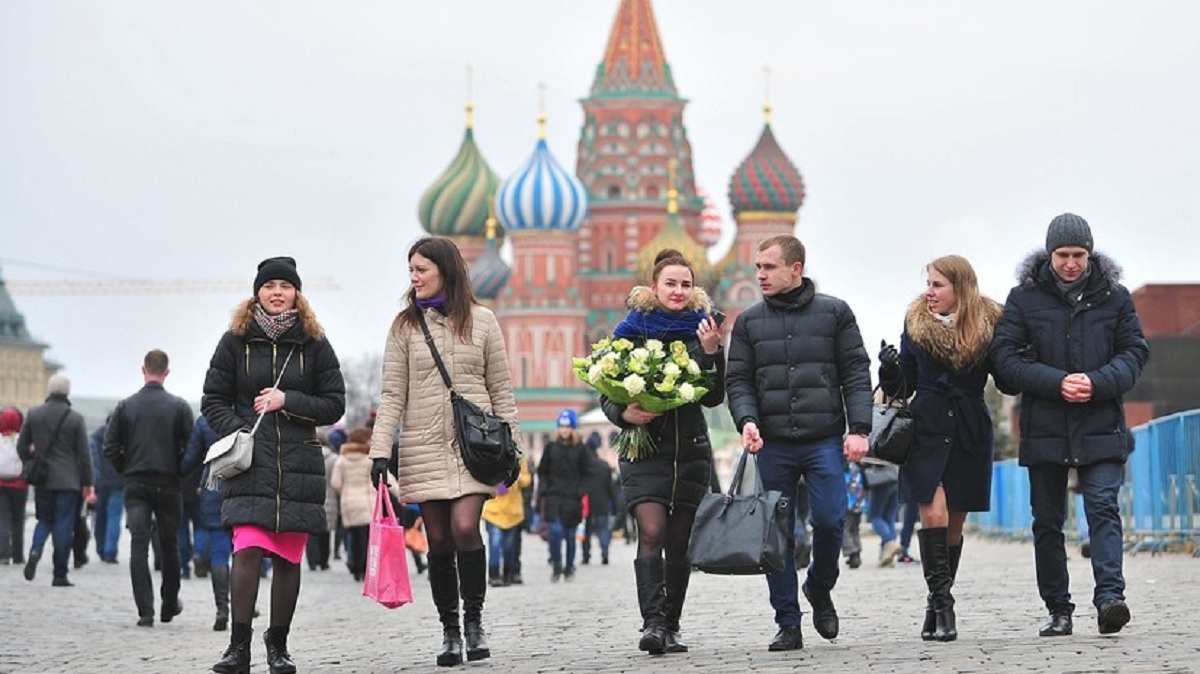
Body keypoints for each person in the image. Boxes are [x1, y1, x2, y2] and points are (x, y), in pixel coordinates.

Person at [991, 214, 1148, 637]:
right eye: (1063, 255)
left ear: (1090, 254)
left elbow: (1134, 353)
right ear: (1049, 254)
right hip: (1045, 426)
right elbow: (1004, 360)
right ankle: (1058, 609)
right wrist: (1055, 382)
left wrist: (1095, 383)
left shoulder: (1115, 297)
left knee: (1102, 506)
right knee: (1047, 520)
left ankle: (1110, 598)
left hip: (1100, 422)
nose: (1071, 264)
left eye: (1079, 255)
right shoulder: (1022, 299)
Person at [367, 236, 521, 667]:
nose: (414, 277)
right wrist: (380, 452)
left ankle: (474, 620)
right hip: (422, 445)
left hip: (475, 448)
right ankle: (450, 631)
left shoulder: (483, 320)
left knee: (466, 527)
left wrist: (516, 450)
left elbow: (501, 390)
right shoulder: (404, 326)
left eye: (421, 269)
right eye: (411, 270)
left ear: (445, 270)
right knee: (437, 540)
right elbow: (393, 392)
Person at [726, 234, 872, 651]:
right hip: (771, 443)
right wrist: (747, 420)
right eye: (757, 267)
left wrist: (858, 428)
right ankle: (788, 621)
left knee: (829, 519)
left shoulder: (834, 314)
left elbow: (856, 371)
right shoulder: (750, 322)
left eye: (768, 267)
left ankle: (820, 587)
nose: (760, 275)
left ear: (796, 269)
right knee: (778, 534)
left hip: (823, 438)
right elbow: (738, 379)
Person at [202, 256, 346, 673]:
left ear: (297, 293)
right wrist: (241, 430)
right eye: (269, 286)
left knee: (287, 559)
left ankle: (278, 645)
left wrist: (289, 401)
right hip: (251, 463)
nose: (277, 292)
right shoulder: (235, 341)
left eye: (285, 285)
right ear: (257, 293)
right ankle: (238, 647)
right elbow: (211, 400)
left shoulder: (315, 343)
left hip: (298, 464)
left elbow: (335, 404)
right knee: (246, 550)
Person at [600, 248, 725, 655]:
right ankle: (652, 624)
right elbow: (606, 389)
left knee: (679, 541)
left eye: (686, 284)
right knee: (651, 530)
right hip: (644, 450)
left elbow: (713, 397)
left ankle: (672, 624)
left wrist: (710, 353)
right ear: (654, 287)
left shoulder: (703, 329)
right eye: (670, 283)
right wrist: (625, 411)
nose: (678, 291)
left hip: (688, 449)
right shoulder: (630, 330)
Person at [878, 254, 1009, 641]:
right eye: (928, 284)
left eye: (938, 285)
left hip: (969, 426)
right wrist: (889, 369)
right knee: (932, 514)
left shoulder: (990, 322)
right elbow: (905, 383)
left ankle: (934, 605)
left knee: (954, 526)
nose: (929, 292)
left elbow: (1006, 379)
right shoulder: (916, 321)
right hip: (927, 426)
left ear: (960, 288)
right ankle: (945, 605)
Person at [103, 349, 196, 625]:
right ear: (167, 372)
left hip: (136, 483)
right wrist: (179, 471)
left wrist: (126, 468)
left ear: (143, 370)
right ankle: (169, 604)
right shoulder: (179, 407)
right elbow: (192, 449)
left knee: (138, 546)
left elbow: (109, 448)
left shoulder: (125, 406)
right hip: (168, 483)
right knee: (170, 546)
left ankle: (146, 610)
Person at [17, 374, 95, 586]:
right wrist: (88, 483)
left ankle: (35, 550)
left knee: (44, 520)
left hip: (43, 479)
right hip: (69, 481)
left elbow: (21, 447)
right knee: (64, 524)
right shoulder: (75, 418)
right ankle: (59, 574)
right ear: (67, 392)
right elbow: (84, 455)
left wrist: (32, 458)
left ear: (49, 391)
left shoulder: (34, 414)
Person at [331, 427, 399, 582]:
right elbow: (387, 479)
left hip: (349, 503)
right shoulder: (369, 460)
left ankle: (355, 567)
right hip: (369, 504)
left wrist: (346, 491)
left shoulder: (341, 460)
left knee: (354, 537)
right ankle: (366, 568)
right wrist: (400, 494)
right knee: (369, 539)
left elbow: (335, 483)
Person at [537, 410, 589, 583]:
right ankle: (556, 566)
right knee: (555, 532)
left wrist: (581, 490)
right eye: (562, 426)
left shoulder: (580, 449)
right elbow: (542, 470)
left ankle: (569, 567)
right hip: (554, 496)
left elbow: (587, 472)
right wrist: (544, 487)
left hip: (573, 498)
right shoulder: (551, 447)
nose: (565, 430)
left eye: (568, 426)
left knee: (570, 534)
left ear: (573, 428)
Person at [481, 451, 532, 586]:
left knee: (509, 546)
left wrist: (521, 479)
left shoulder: (520, 455)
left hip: (513, 511)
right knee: (495, 543)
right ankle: (494, 574)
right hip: (494, 510)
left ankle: (508, 574)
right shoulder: (489, 453)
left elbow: (527, 479)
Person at [89, 415, 124, 564]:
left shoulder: (96, 436)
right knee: (114, 517)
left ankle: (100, 549)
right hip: (119, 483)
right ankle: (110, 552)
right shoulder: (125, 438)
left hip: (100, 483)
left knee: (99, 518)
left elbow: (92, 460)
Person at [580, 437, 617, 567]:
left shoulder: (583, 466)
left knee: (586, 531)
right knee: (603, 530)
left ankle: (586, 556)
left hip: (586, 504)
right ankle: (605, 553)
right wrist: (614, 504)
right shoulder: (604, 465)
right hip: (602, 503)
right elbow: (610, 487)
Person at [0, 407, 29, 566]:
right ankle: (18, 555)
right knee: (18, 520)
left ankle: (3, 554)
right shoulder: (22, 439)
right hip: (20, 485)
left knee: (2, 519)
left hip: (0, 484)